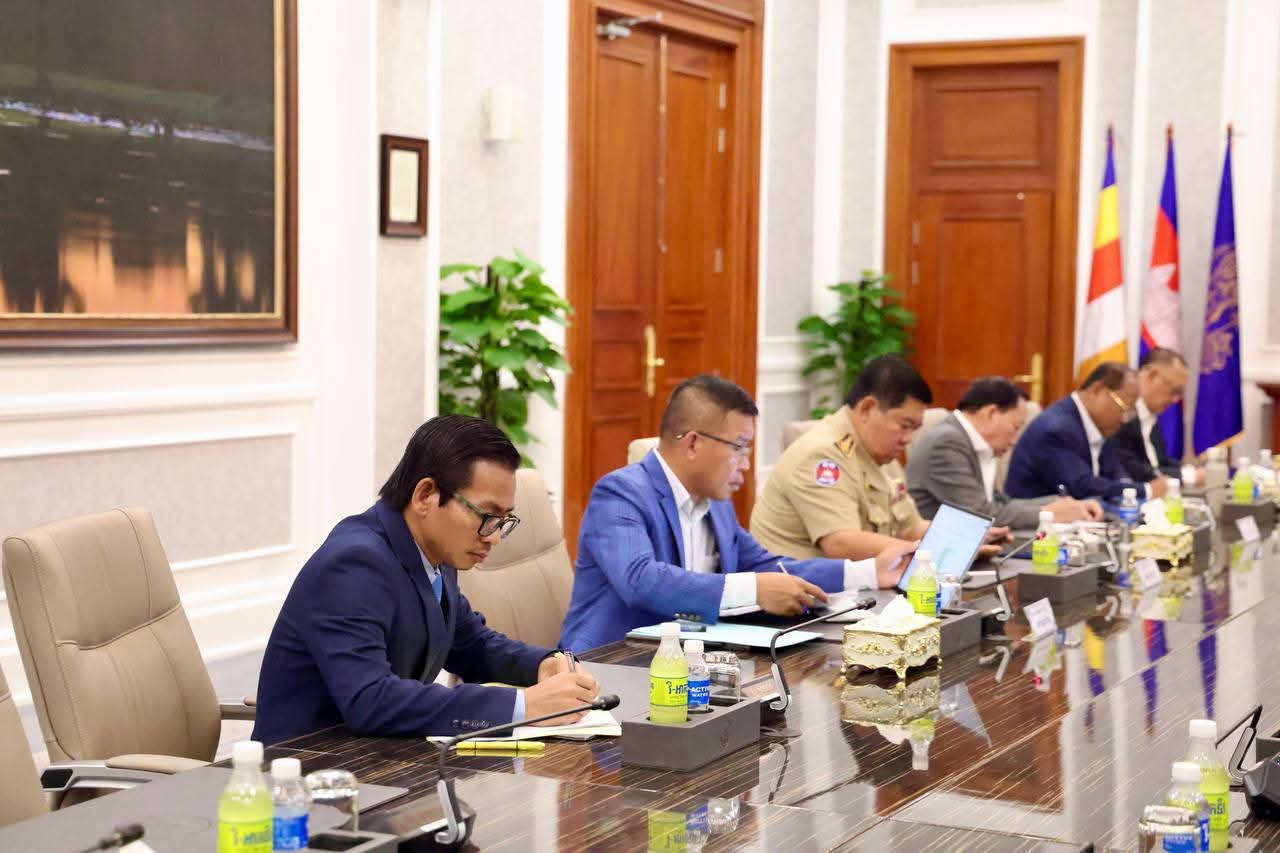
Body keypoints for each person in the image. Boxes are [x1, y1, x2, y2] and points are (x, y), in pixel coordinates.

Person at [253, 415, 599, 745]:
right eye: (487, 516)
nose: (494, 536)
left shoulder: (435, 552)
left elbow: (470, 644)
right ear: (425, 496)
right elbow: (371, 700)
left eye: (503, 520)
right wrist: (523, 707)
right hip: (308, 767)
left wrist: (542, 664)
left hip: (383, 758)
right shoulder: (354, 565)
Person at [558, 375, 915, 652]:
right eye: (740, 448)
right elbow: (641, 580)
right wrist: (753, 590)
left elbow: (763, 564)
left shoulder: (715, 502)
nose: (745, 465)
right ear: (693, 443)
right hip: (610, 667)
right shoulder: (620, 493)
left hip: (690, 664)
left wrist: (867, 571)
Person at [751, 354, 1008, 562]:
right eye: (904, 425)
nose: (908, 439)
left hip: (859, 589)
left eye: (914, 429)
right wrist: (933, 550)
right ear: (867, 408)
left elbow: (910, 527)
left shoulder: (882, 457)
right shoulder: (822, 455)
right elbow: (840, 542)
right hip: (803, 597)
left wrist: (962, 539)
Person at [906, 377, 1103, 529]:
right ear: (990, 413)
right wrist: (1048, 513)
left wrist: (1067, 505)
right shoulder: (947, 443)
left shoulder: (969, 440)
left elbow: (1001, 503)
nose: (1015, 440)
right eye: (1015, 428)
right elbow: (980, 515)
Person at [1004, 362, 1163, 502]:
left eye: (1130, 411)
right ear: (1097, 390)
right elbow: (1083, 487)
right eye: (1123, 407)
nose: (1124, 419)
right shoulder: (1057, 429)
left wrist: (1127, 486)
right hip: (1033, 523)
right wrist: (1146, 490)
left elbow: (1116, 473)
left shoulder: (1101, 425)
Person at [1107, 347, 1199, 484]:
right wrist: (1187, 476)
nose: (1175, 400)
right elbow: (1128, 467)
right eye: (1174, 390)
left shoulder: (1151, 417)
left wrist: (1190, 470)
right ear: (1151, 375)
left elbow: (1158, 462)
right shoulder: (1120, 412)